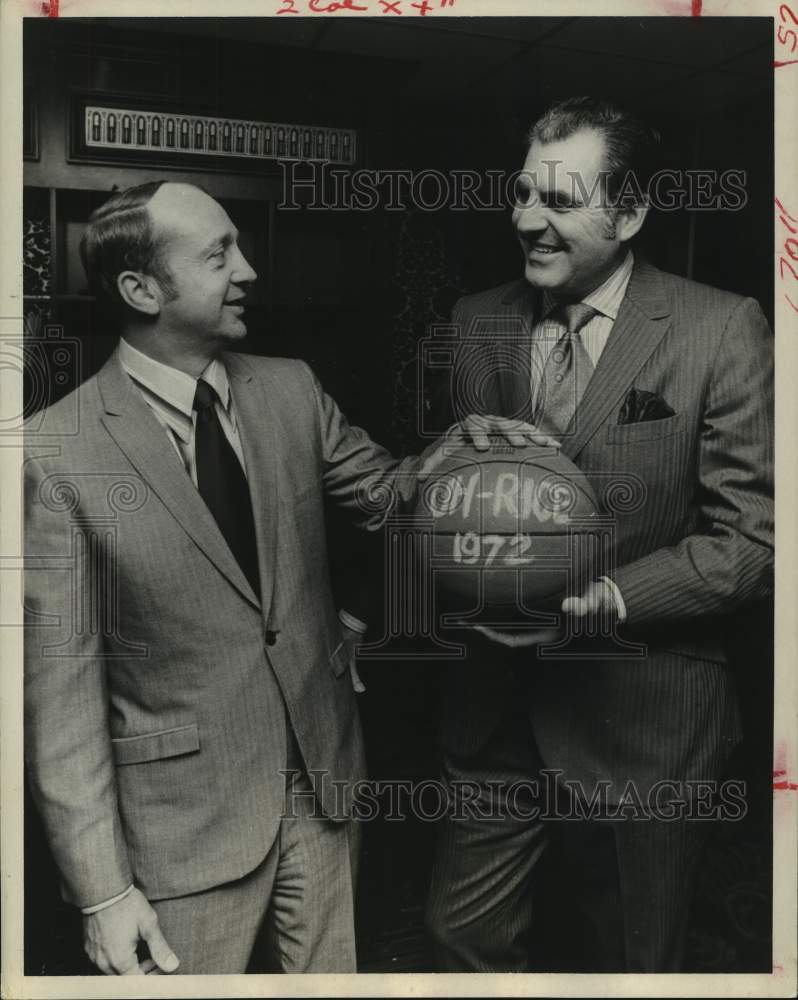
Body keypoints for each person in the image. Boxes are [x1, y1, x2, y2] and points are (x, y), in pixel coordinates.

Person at [23, 180, 543, 976]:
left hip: (323, 792)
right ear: (140, 288)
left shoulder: (292, 388)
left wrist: (463, 453)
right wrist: (101, 892)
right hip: (180, 837)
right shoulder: (53, 454)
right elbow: (60, 706)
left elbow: (388, 495)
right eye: (219, 253)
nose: (250, 270)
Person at [424, 96, 774, 972]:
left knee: (630, 958)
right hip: (498, 706)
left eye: (561, 201)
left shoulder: (721, 327)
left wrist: (609, 597)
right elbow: (462, 501)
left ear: (628, 213)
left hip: (645, 719)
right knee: (458, 935)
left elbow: (754, 541)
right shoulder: (477, 320)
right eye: (521, 194)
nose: (528, 222)